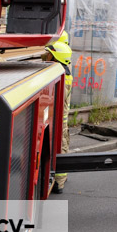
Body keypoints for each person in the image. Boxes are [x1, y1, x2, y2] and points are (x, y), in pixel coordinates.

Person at [45, 33, 73, 193]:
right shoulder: (64, 73)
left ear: (56, 58)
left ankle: (59, 183)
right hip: (60, 121)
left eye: (49, 54)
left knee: (61, 149)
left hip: (60, 122)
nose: (46, 57)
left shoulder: (63, 78)